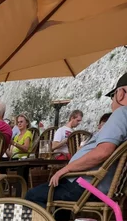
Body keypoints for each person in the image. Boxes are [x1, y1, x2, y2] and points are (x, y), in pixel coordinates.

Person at [26, 73, 127, 212]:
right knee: (55, 198)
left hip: (88, 186)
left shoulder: (121, 112)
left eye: (112, 97)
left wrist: (66, 169)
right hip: (101, 187)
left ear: (120, 94)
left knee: (32, 196)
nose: (111, 102)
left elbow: (103, 151)